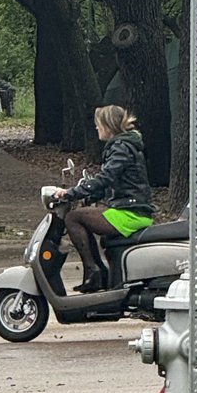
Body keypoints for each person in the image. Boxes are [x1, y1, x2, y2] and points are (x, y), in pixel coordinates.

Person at [52, 104, 154, 294]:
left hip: (130, 213)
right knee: (82, 216)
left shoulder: (121, 147)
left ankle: (94, 272)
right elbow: (114, 180)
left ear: (108, 125)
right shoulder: (126, 145)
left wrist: (71, 193)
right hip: (130, 208)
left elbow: (106, 177)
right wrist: (91, 195)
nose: (97, 128)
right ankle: (98, 273)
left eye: (98, 124)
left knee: (73, 218)